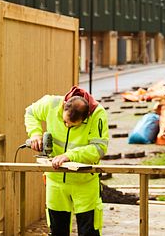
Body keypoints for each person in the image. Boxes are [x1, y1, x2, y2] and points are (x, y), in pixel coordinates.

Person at [24, 86, 108, 236]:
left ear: (85, 118)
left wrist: (70, 155)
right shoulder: (51, 104)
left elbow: (99, 149)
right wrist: (35, 134)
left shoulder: (97, 114)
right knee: (57, 231)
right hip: (55, 181)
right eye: (65, 121)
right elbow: (30, 112)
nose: (67, 125)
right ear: (63, 106)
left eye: (72, 125)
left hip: (84, 183)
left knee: (89, 232)